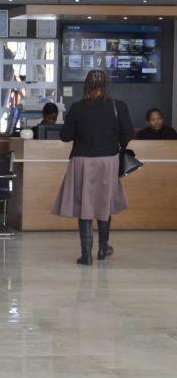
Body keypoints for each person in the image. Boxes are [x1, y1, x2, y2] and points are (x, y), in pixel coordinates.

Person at [51, 70, 133, 265]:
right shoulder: (118, 106)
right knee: (105, 203)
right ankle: (103, 248)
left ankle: (86, 254)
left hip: (82, 161)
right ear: (106, 85)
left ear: (86, 85)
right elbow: (128, 133)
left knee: (84, 205)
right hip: (108, 160)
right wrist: (115, 145)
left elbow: (65, 136)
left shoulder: (78, 107)